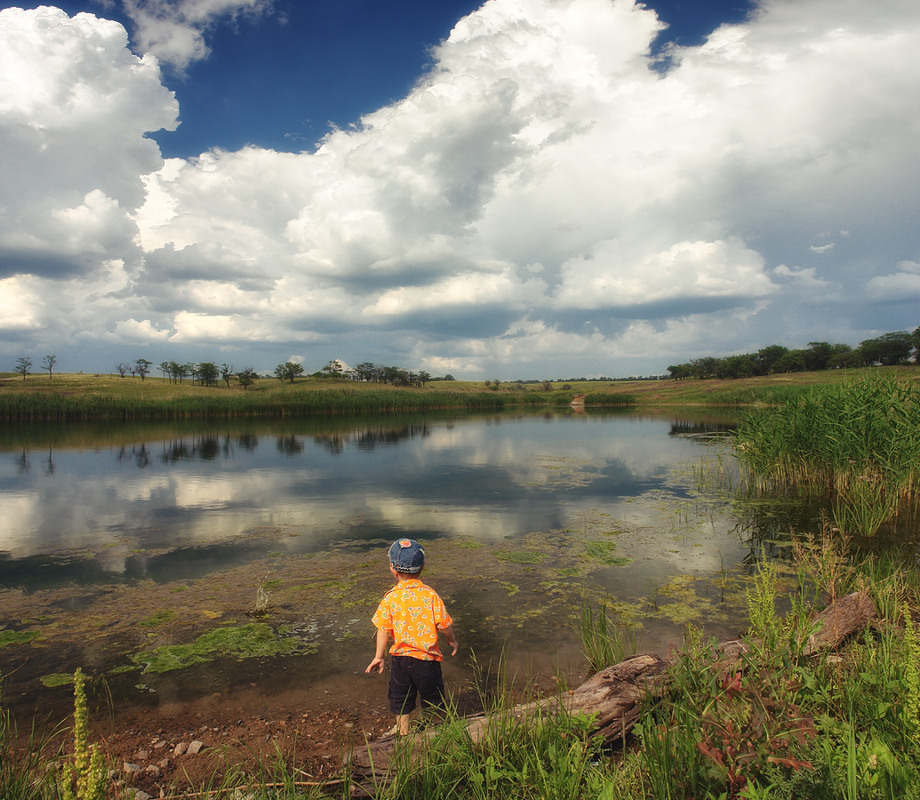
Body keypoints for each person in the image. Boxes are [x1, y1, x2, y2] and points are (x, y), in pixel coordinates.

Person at [365, 538, 458, 735]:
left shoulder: (390, 597)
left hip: (400, 660)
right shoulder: (431, 595)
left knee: (400, 699)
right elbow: (445, 625)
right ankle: (439, 731)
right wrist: (452, 640)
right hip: (427, 660)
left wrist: (378, 656)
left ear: (393, 569)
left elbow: (383, 629)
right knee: (434, 698)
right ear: (422, 567)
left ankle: (403, 734)